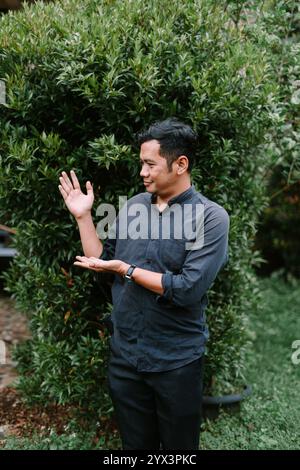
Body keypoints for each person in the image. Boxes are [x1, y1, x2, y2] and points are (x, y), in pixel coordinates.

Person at [58, 118, 229, 450]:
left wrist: (127, 269)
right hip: (126, 357)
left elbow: (187, 288)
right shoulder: (135, 205)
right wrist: (83, 217)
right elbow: (102, 260)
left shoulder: (211, 217)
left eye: (150, 164)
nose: (143, 172)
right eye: (142, 164)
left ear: (181, 164)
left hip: (176, 362)